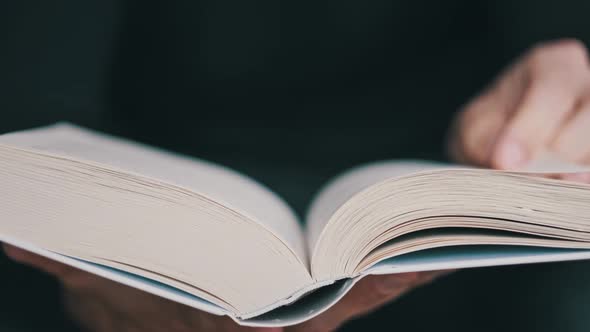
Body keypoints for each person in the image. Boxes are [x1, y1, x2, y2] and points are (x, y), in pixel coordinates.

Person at [2, 1, 590, 331]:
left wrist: (558, 87)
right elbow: (37, 86)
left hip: (431, 201)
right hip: (166, 192)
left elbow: (555, 39)